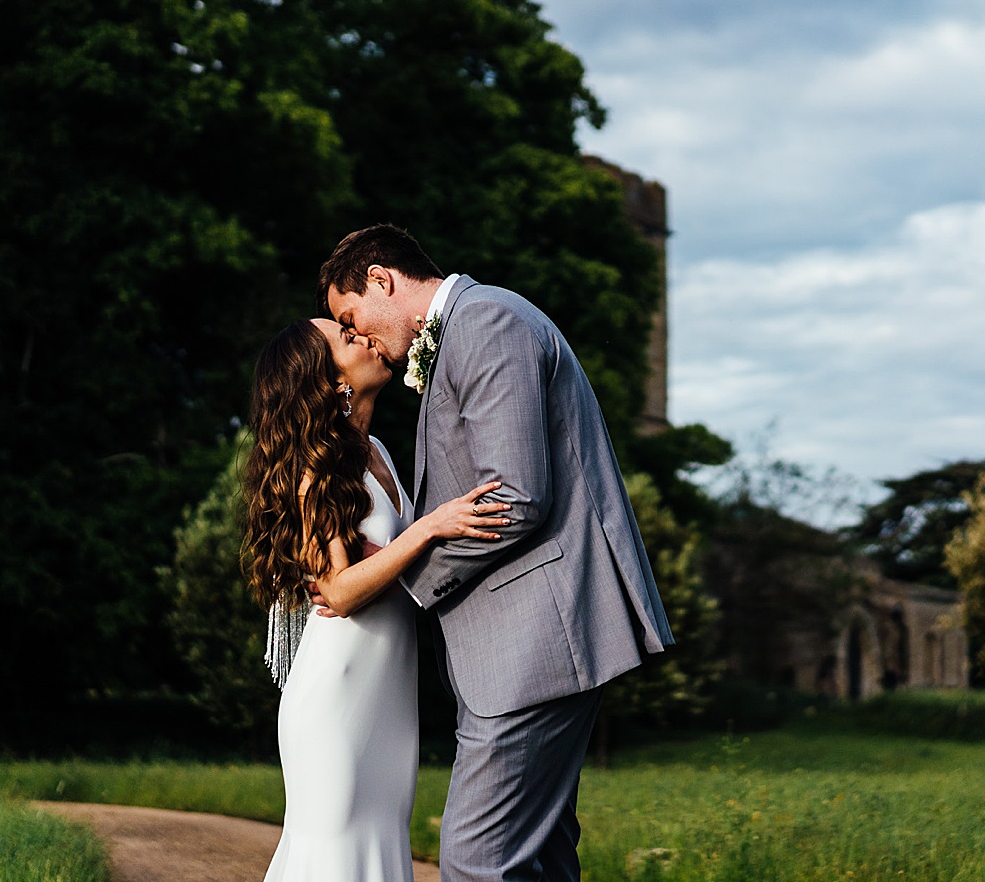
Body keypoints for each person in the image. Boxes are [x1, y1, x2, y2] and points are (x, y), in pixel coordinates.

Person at [318, 224, 674, 882]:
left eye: (351, 316)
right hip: (525, 644)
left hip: (536, 643)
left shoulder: (485, 323)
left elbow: (515, 498)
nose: (358, 334)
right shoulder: (473, 328)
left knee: (475, 860)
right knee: (539, 858)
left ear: (381, 280)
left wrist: (410, 584)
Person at [243, 317, 510, 882]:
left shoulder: (380, 450)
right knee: (335, 855)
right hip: (336, 698)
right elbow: (338, 592)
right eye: (345, 338)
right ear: (327, 379)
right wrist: (430, 527)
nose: (363, 337)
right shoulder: (318, 467)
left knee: (381, 844)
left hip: (388, 693)